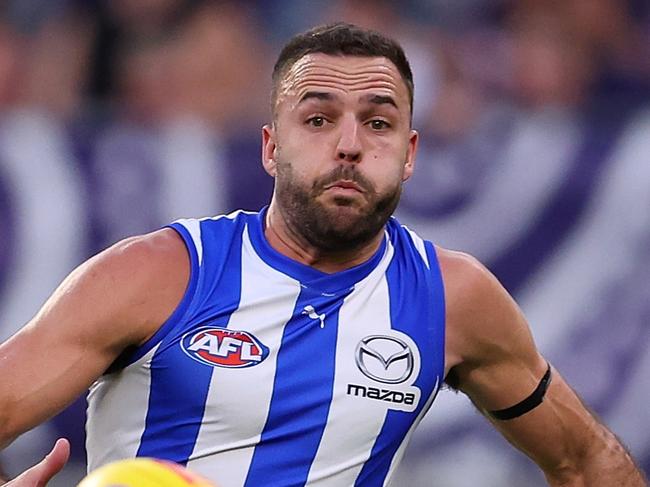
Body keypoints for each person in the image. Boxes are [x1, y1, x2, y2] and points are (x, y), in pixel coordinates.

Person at [0, 22, 646, 487]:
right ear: (270, 147)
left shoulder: (454, 299)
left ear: (411, 152)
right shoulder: (158, 273)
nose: (348, 145)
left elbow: (589, 464)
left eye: (378, 122)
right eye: (317, 119)